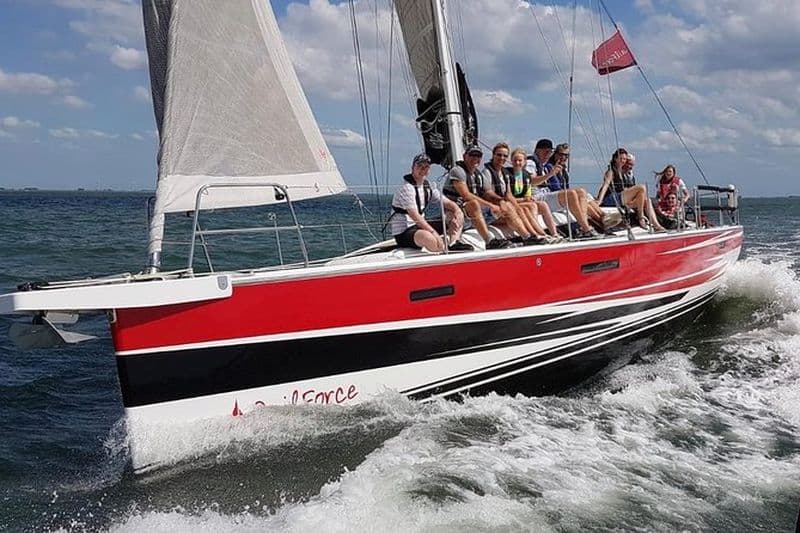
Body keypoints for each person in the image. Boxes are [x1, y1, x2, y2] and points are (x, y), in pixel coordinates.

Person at [390, 153, 473, 252]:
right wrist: (434, 234)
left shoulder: (428, 186)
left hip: (418, 226)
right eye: (419, 166)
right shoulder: (407, 188)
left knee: (454, 214)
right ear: (412, 167)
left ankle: (453, 243)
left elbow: (446, 202)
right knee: (429, 238)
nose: (423, 170)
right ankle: (441, 251)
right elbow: (415, 216)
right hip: (404, 232)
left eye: (426, 167)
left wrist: (458, 211)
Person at [442, 144, 513, 249]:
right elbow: (466, 195)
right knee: (474, 204)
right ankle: (489, 241)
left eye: (478, 156)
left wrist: (501, 201)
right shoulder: (457, 171)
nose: (475, 159)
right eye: (472, 155)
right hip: (456, 212)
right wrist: (490, 205)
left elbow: (488, 192)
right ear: (465, 156)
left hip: (473, 215)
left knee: (506, 207)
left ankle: (525, 236)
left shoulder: (478, 175)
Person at [526, 138, 600, 239]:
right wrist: (550, 174)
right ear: (538, 150)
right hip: (537, 196)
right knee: (571, 194)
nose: (548, 154)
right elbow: (531, 181)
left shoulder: (544, 165)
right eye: (546, 151)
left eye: (550, 152)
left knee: (581, 192)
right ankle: (586, 229)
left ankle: (584, 226)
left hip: (546, 195)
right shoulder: (531, 162)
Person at [481, 143, 553, 244]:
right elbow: (487, 193)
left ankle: (540, 234)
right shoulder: (487, 172)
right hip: (491, 209)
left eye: (505, 156)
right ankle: (527, 236)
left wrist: (515, 205)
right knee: (515, 208)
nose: (502, 158)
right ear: (493, 155)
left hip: (504, 205)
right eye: (499, 155)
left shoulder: (504, 173)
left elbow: (509, 194)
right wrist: (503, 201)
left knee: (523, 209)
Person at [597, 148, 666, 232]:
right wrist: (599, 200)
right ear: (615, 159)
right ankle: (640, 217)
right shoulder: (611, 171)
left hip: (621, 198)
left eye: (624, 159)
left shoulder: (622, 172)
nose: (623, 161)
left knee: (647, 200)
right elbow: (605, 186)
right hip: (611, 198)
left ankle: (656, 225)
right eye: (621, 158)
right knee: (641, 187)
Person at [545, 143, 606, 231]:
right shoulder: (551, 167)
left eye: (566, 156)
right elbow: (555, 187)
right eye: (561, 155)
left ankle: (603, 216)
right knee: (582, 199)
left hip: (563, 193)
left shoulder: (564, 169)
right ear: (556, 154)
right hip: (557, 196)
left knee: (586, 195)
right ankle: (601, 220)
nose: (563, 158)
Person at [506, 147, 562, 242]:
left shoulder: (526, 175)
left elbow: (527, 194)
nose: (517, 163)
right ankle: (539, 234)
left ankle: (554, 234)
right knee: (532, 206)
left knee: (543, 205)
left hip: (523, 201)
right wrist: (525, 200)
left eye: (520, 160)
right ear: (511, 161)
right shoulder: (507, 174)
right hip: (514, 203)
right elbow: (508, 197)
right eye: (515, 160)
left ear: (524, 162)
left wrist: (528, 198)